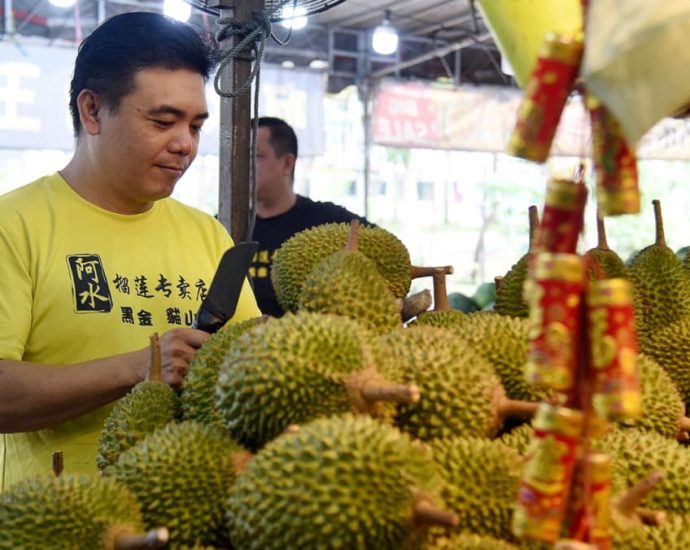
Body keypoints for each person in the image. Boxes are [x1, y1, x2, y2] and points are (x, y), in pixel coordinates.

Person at [0, 12, 260, 490]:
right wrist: (142, 366)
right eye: (163, 121)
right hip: (61, 522)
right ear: (92, 111)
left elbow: (252, 375)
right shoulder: (14, 227)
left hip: (191, 518)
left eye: (196, 126)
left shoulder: (208, 235)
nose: (184, 145)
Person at [250, 116, 369, 317]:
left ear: (287, 164)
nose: (243, 165)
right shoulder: (221, 225)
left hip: (311, 342)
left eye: (255, 156)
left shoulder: (327, 220)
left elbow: (387, 255)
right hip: (239, 346)